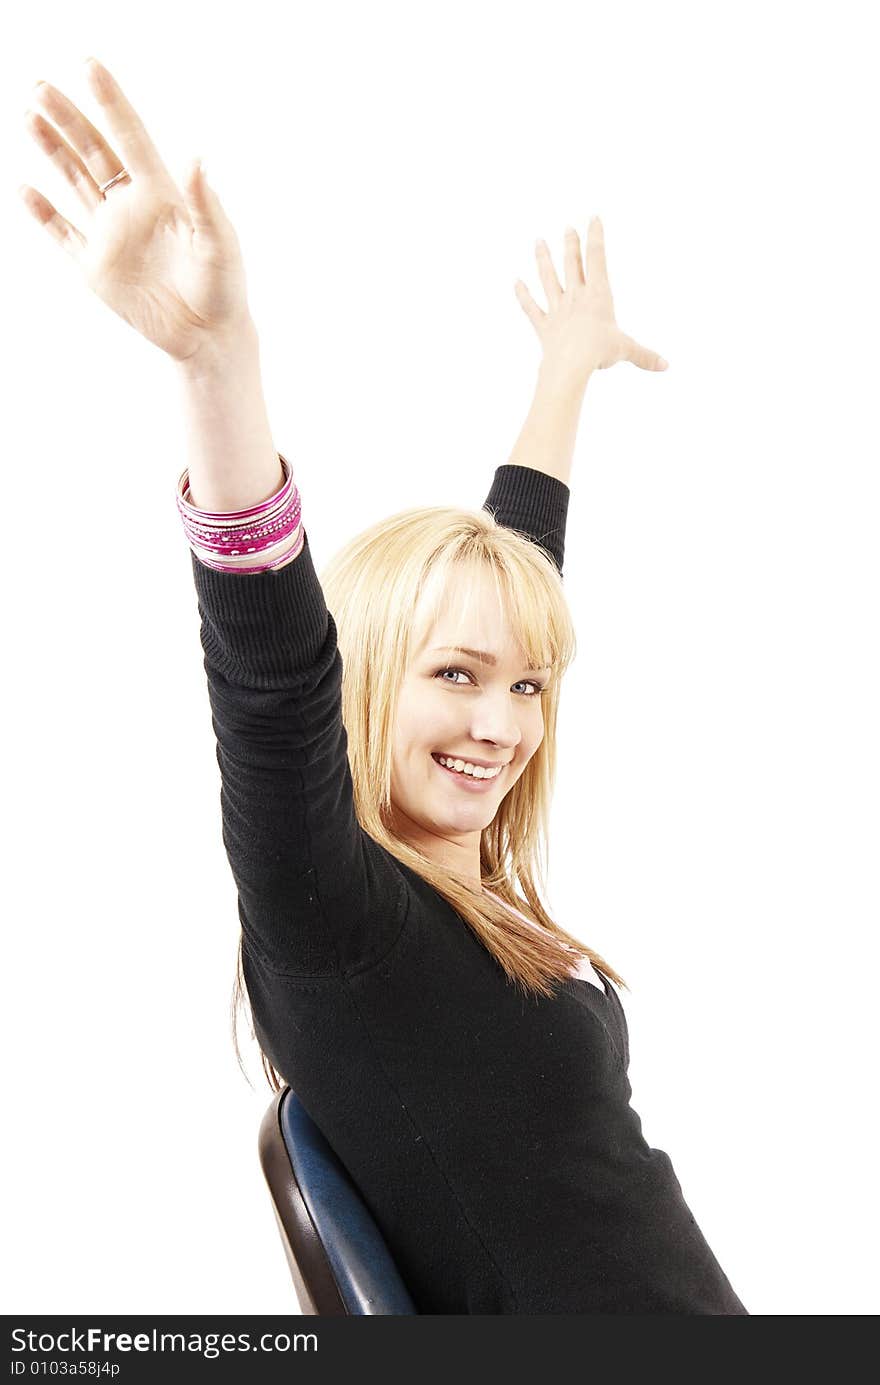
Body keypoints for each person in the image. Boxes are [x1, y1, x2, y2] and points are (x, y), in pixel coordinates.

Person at [21, 57, 748, 1315]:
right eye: (456, 678)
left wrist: (564, 370)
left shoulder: (456, 894)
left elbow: (513, 577)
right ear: (361, 683)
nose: (500, 722)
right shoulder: (342, 920)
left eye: (527, 687)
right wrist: (215, 366)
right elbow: (271, 686)